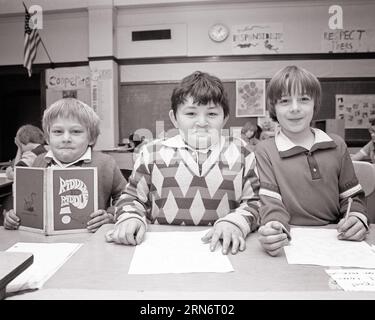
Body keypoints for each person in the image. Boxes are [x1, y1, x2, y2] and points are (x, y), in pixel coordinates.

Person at [107, 71, 261, 255]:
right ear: (174, 118)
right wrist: (130, 217)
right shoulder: (151, 152)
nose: (202, 122)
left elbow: (255, 202)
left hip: (224, 249)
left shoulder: (242, 153)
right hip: (161, 252)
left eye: (212, 113)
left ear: (225, 118)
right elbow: (131, 198)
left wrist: (236, 222)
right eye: (191, 113)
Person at [255, 65, 369, 256]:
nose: (295, 108)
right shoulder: (265, 150)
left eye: (304, 99)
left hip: (337, 241)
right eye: (284, 101)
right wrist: (275, 227)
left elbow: (352, 198)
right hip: (289, 241)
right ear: (273, 108)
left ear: (315, 104)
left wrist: (357, 218)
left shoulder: (337, 145)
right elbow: (271, 203)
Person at [3, 98, 127, 232]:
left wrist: (110, 215)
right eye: (57, 132)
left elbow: (126, 197)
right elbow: (22, 202)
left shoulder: (105, 163)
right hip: (43, 242)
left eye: (76, 132)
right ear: (47, 137)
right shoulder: (38, 162)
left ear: (91, 138)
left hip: (90, 240)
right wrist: (12, 217)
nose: (66, 139)